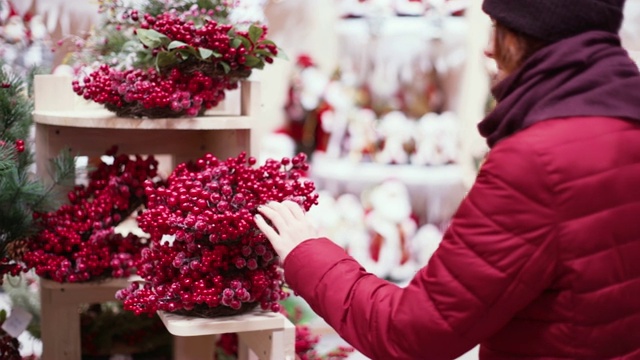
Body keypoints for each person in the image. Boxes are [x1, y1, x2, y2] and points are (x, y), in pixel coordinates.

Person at [255, 0, 640, 358]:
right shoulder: (624, 122)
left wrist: (306, 252)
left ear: (530, 33)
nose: (488, 48)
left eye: (497, 26)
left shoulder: (535, 162)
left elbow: (412, 331)